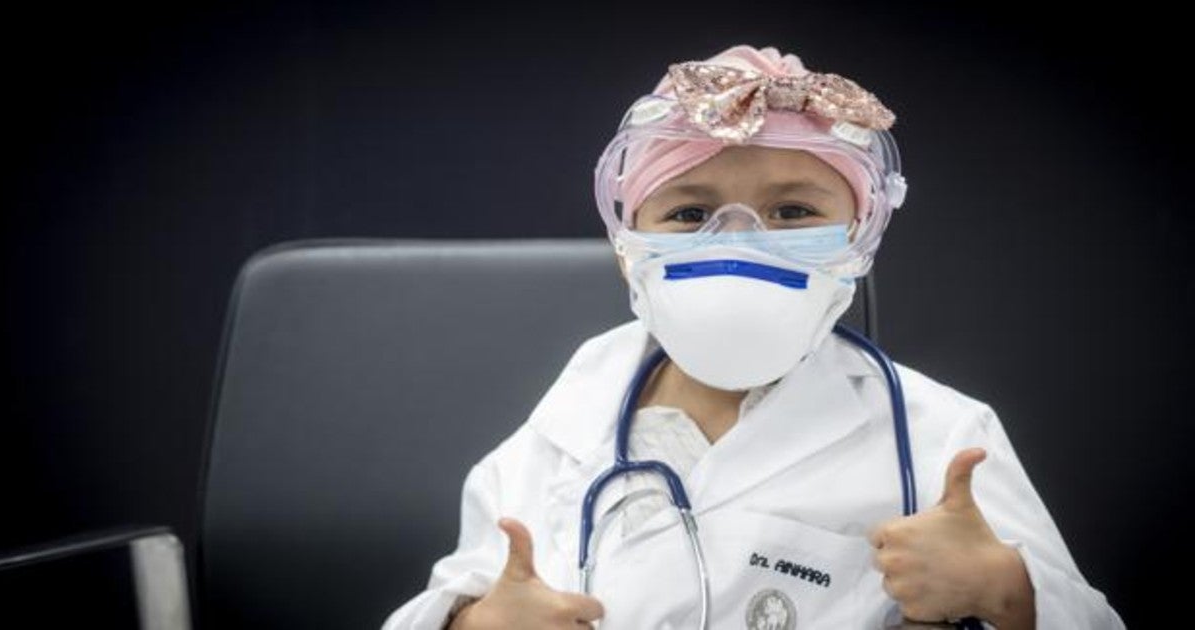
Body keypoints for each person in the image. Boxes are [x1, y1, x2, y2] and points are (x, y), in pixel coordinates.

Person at [382, 44, 1124, 629]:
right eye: (688, 214)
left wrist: (1007, 591)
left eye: (793, 212)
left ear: (859, 238)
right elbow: (454, 597)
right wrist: (474, 623)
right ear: (627, 247)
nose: (738, 241)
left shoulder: (939, 434)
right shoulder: (561, 431)